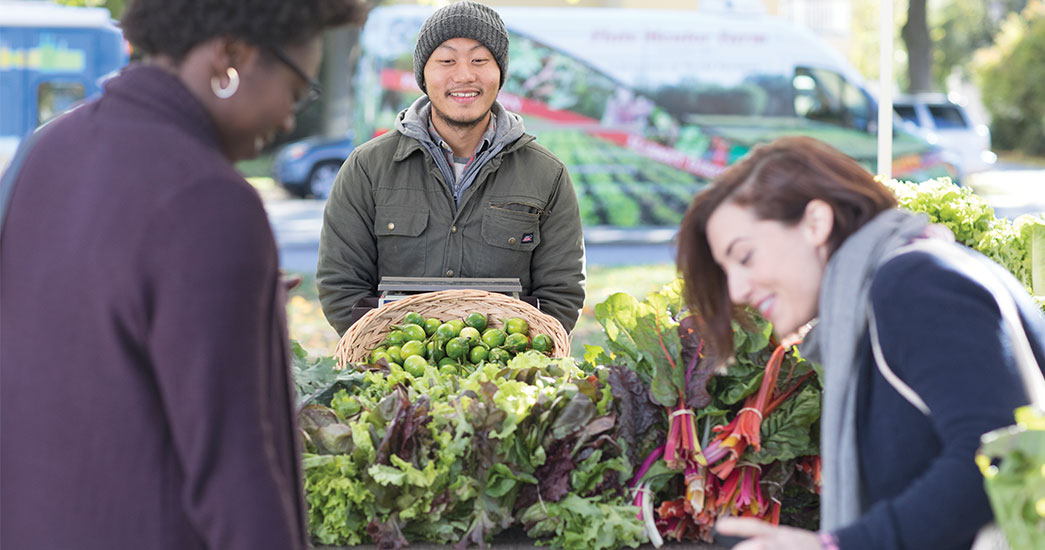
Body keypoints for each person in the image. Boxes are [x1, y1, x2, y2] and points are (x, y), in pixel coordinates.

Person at [0, 0, 364, 548]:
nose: (289, 119)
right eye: (295, 90)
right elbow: (236, 469)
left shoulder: (50, 148)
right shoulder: (210, 199)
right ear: (231, 58)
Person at [675, 136, 1041, 550]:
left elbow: (997, 452)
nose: (737, 290)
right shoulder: (903, 284)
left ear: (816, 222)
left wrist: (834, 546)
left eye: (744, 257)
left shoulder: (913, 284)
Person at [316, 0, 586, 335]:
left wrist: (516, 361)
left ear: (499, 72)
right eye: (446, 60)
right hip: (392, 377)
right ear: (423, 75)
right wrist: (387, 357)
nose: (464, 75)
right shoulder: (367, 167)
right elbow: (340, 286)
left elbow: (562, 295)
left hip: (505, 382)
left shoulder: (547, 174)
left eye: (479, 60)